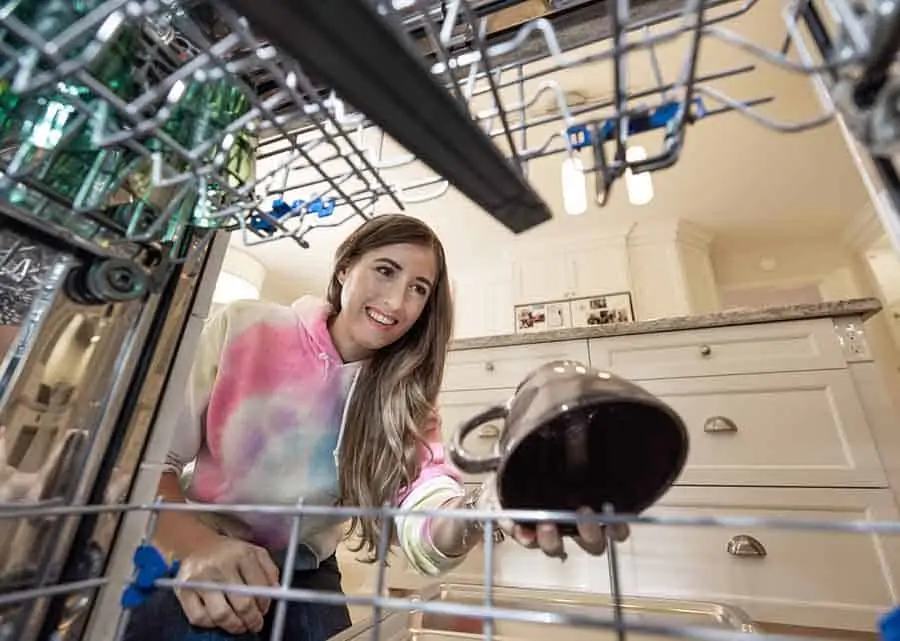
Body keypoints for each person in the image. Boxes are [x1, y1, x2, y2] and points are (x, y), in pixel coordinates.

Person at [123, 214, 627, 641]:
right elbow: (148, 463)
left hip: (306, 568)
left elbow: (425, 515)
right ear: (344, 269)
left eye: (418, 289)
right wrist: (196, 547)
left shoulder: (407, 399)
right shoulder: (244, 327)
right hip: (201, 540)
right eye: (385, 271)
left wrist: (488, 511)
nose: (397, 300)